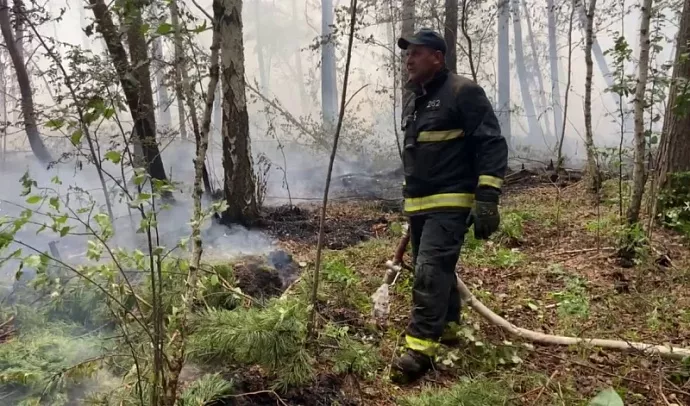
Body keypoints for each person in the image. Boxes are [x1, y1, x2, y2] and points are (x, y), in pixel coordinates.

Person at [392, 28, 509, 383]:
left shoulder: (463, 92)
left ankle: (420, 352)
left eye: (416, 53)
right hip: (421, 206)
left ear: (437, 58)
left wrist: (487, 197)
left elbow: (491, 144)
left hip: (451, 203)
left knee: (429, 271)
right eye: (407, 54)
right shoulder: (416, 100)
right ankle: (448, 330)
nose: (408, 60)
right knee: (434, 271)